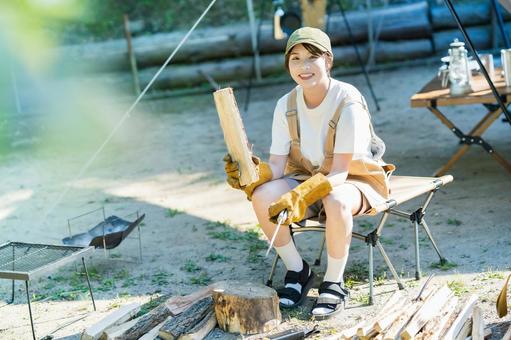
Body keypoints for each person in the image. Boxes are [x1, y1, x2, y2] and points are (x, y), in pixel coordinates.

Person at [223, 27, 394, 319]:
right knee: (262, 196)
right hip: (308, 175)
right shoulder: (285, 105)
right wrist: (251, 173)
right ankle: (298, 270)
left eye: (312, 58)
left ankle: (334, 282)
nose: (303, 67)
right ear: (288, 64)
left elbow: (340, 171)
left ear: (328, 60)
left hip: (354, 179)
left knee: (336, 200)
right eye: (295, 59)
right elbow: (278, 166)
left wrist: (302, 194)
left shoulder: (347, 102)